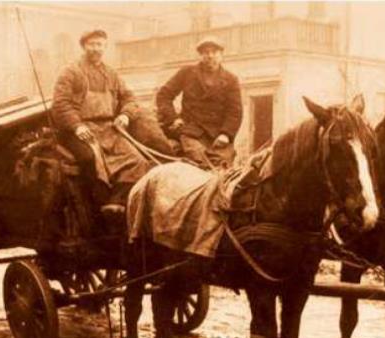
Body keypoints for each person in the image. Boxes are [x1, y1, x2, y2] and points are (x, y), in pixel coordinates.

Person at [51, 29, 151, 214]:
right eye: (92, 44)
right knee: (90, 159)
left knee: (137, 160)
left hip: (108, 128)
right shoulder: (71, 71)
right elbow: (60, 103)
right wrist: (76, 125)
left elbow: (129, 98)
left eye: (100, 44)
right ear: (84, 46)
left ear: (105, 47)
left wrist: (125, 114)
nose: (96, 49)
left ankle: (117, 201)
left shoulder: (112, 74)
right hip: (80, 128)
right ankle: (94, 210)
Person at [156, 36, 243, 169]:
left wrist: (226, 134)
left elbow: (235, 111)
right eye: (205, 52)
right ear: (200, 55)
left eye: (214, 52)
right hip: (191, 132)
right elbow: (164, 95)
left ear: (221, 55)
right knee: (200, 163)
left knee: (224, 169)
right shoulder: (187, 73)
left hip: (218, 135)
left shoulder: (231, 80)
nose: (210, 56)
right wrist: (173, 119)